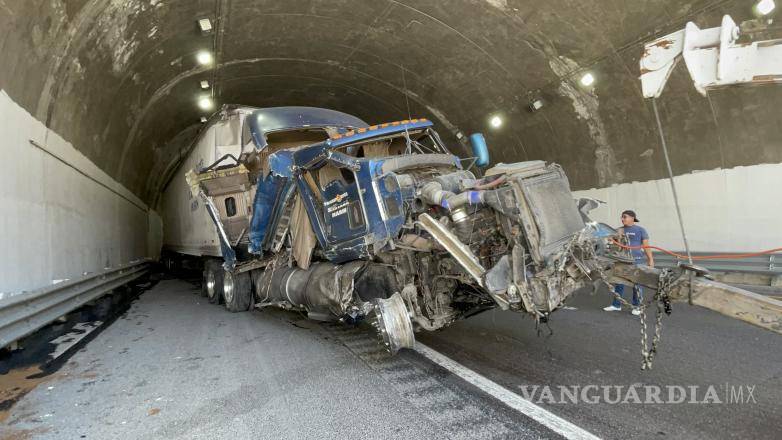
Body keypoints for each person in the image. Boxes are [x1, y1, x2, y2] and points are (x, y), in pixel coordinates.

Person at [603, 210, 654, 316]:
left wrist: (650, 259)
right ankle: (616, 305)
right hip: (622, 259)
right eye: (621, 217)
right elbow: (609, 240)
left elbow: (646, 246)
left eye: (624, 217)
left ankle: (637, 306)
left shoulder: (640, 230)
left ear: (632, 218)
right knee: (619, 282)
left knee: (637, 283)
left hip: (637, 259)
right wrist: (611, 237)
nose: (622, 219)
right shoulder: (619, 230)